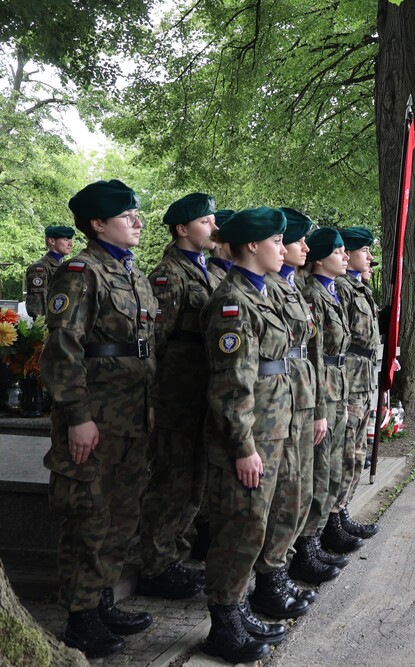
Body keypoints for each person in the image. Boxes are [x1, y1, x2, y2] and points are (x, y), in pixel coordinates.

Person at [40, 179, 156, 658]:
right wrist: (77, 416)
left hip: (131, 415)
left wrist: (150, 401)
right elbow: (62, 349)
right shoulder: (80, 272)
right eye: (127, 216)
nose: (138, 222)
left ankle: (103, 598)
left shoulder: (132, 272)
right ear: (98, 223)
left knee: (123, 513)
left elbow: (143, 346)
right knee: (89, 516)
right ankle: (80, 617)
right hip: (95, 418)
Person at [200, 207, 294, 662]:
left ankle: (237, 609)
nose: (284, 249)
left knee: (254, 525)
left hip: (271, 428)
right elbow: (232, 384)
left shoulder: (262, 292)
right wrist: (243, 447)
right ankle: (223, 625)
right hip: (248, 436)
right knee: (239, 528)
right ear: (252, 245)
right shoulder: (232, 303)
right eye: (276, 241)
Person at [251, 208, 339, 615]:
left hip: (299, 398)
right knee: (279, 493)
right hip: (274, 407)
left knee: (299, 486)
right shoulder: (262, 290)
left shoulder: (288, 289)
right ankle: (269, 578)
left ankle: (285, 564)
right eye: (295, 240)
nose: (305, 247)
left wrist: (316, 405)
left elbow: (310, 352)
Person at [137, 193, 218, 601]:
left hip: (200, 396)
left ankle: (175, 555)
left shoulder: (205, 271)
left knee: (194, 482)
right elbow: (154, 343)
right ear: (183, 229)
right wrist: (153, 399)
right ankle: (155, 564)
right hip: (175, 398)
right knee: (171, 482)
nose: (214, 227)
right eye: (206, 221)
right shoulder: (168, 276)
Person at [299, 227, 356, 566]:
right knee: (320, 469)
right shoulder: (312, 294)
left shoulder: (330, 293)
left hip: (338, 385)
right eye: (337, 251)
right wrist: (320, 405)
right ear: (319, 259)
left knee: (334, 466)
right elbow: (314, 354)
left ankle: (320, 535)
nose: (345, 256)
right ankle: (308, 542)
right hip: (323, 388)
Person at [323, 226, 381, 552]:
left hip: (362, 377)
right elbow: (338, 342)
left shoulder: (358, 287)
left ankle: (342, 509)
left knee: (357, 450)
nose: (369, 257)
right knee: (346, 450)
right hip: (349, 378)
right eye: (364, 250)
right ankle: (333, 516)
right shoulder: (343, 288)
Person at [24, 225, 76, 319]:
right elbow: (37, 304)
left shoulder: (65, 266)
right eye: (66, 239)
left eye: (70, 240)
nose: (70, 244)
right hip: (49, 324)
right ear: (52, 241)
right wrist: (43, 325)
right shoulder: (40, 267)